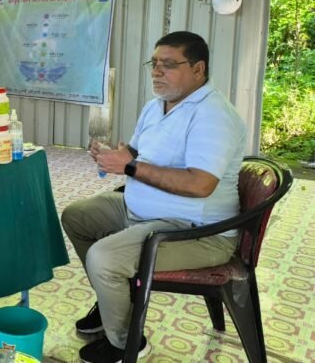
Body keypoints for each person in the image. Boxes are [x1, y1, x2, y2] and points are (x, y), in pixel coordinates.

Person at [61, 31, 246, 363]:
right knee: (77, 216)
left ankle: (125, 343)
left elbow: (200, 185)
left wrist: (130, 167)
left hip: (196, 230)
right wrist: (114, 155)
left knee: (104, 258)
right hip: (142, 211)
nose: (157, 71)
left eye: (169, 64)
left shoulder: (214, 115)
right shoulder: (155, 106)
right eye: (155, 63)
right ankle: (112, 300)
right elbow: (136, 152)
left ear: (198, 69)